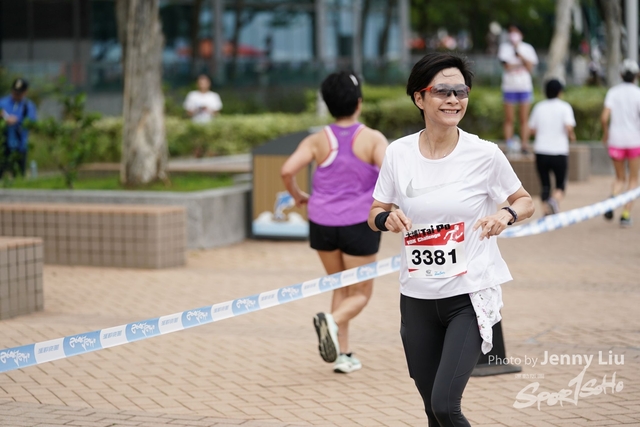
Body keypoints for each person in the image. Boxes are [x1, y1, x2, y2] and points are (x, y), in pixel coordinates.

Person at [368, 52, 534, 426]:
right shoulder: (398, 153)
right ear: (419, 98)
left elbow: (525, 201)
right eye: (443, 91)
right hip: (417, 297)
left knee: (445, 405)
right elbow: (375, 210)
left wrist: (506, 215)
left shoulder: (485, 154)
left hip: (469, 295)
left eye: (461, 92)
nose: (454, 100)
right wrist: (384, 218)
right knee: (432, 410)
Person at [281, 72, 388, 374]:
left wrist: (299, 196)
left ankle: (342, 355)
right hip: (359, 222)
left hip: (321, 223)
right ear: (359, 102)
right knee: (360, 293)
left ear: (328, 105)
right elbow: (392, 174)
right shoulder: (372, 138)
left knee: (340, 286)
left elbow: (287, 170)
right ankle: (332, 321)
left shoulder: (316, 140)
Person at [600, 59, 640, 227]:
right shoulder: (638, 93)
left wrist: (606, 134)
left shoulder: (613, 92)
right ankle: (625, 214)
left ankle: (613, 199)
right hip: (634, 141)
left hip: (616, 140)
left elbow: (604, 118)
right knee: (633, 178)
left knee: (619, 177)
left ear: (621, 74)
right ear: (636, 75)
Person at [528, 79, 576, 215]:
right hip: (559, 151)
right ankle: (554, 201)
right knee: (560, 185)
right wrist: (572, 136)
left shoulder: (539, 107)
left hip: (541, 150)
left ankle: (546, 213)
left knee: (545, 185)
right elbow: (568, 127)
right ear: (560, 92)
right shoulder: (565, 107)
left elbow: (532, 129)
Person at [497, 24, 538, 154]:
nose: (513, 35)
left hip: (524, 87)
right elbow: (507, 66)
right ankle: (509, 144)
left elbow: (530, 67)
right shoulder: (504, 48)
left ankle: (524, 145)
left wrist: (519, 56)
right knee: (509, 118)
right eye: (511, 32)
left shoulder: (527, 48)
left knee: (524, 119)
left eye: (516, 32)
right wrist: (522, 63)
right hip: (509, 87)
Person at [0, 78, 37, 178]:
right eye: (14, 92)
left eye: (19, 93)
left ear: (25, 92)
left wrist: (17, 120)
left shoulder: (28, 106)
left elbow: (32, 122)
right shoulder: (2, 103)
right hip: (3, 145)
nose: (16, 95)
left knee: (19, 175)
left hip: (20, 145)